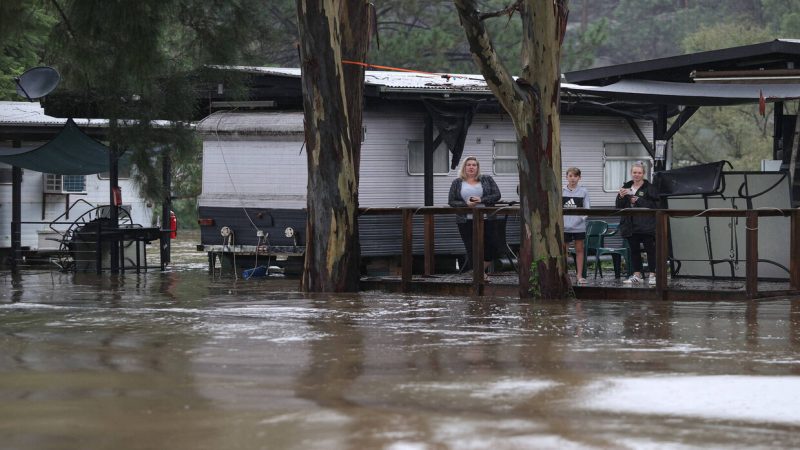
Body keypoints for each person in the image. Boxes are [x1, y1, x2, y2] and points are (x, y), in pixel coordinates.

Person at [448, 156, 501, 279]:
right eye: (468, 165)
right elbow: (451, 201)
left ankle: (478, 272)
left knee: (493, 246)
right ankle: (479, 276)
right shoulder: (457, 182)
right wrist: (466, 204)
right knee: (471, 248)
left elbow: (497, 195)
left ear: (477, 167)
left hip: (487, 219)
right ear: (464, 167)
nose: (471, 167)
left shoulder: (486, 179)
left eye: (474, 165)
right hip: (465, 220)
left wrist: (481, 199)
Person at [616, 161, 659, 285]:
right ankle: (637, 274)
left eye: (639, 173)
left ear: (644, 174)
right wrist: (620, 197)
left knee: (650, 250)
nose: (636, 175)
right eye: (634, 172)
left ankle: (653, 274)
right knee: (634, 250)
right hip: (630, 225)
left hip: (647, 225)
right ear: (631, 173)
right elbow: (619, 206)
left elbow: (656, 205)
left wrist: (639, 200)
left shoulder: (650, 188)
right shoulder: (626, 187)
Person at [562, 167, 590, 284]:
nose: (573, 178)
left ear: (579, 178)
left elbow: (587, 210)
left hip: (579, 227)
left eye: (575, 176)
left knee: (579, 250)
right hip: (564, 227)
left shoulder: (584, 191)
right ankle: (564, 275)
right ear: (567, 177)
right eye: (570, 176)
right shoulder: (561, 190)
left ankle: (579, 275)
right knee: (564, 251)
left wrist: (578, 220)